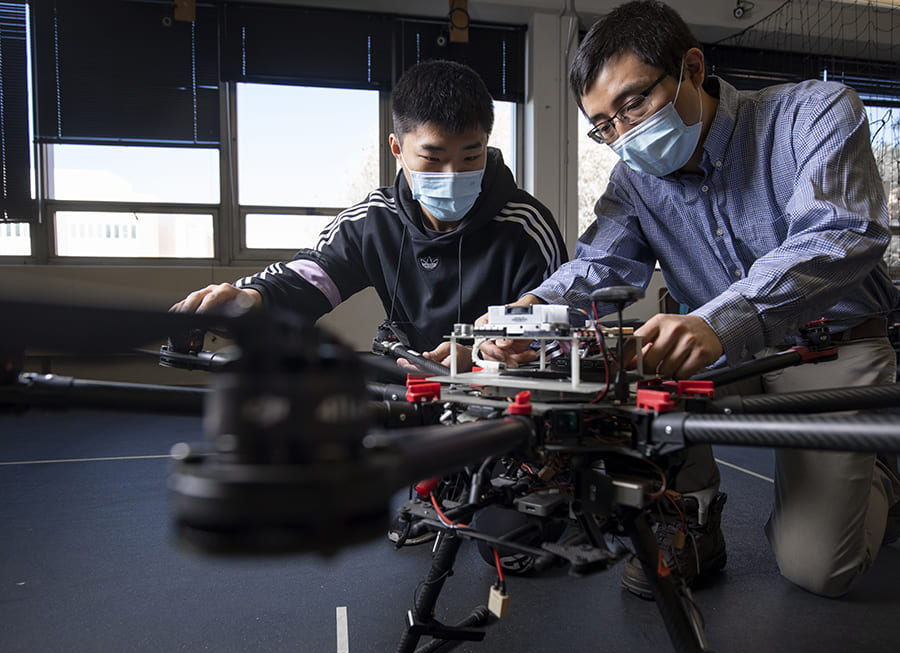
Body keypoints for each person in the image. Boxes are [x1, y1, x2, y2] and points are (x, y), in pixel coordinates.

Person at [481, 0, 900, 598]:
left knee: (817, 572)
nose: (623, 134)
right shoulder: (633, 181)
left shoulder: (814, 111)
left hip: (831, 347)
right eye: (605, 124)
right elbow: (600, 266)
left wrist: (726, 318)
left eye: (634, 104)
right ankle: (691, 521)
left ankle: (879, 476)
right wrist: (525, 315)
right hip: (720, 353)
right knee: (621, 373)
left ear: (692, 69)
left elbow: (843, 233)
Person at [171, 59, 566, 366]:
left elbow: (563, 339)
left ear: (486, 143)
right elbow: (309, 278)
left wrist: (481, 358)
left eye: (470, 156)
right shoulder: (374, 221)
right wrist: (250, 296)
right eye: (433, 158)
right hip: (406, 388)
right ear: (397, 149)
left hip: (502, 408)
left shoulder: (527, 227)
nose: (453, 174)